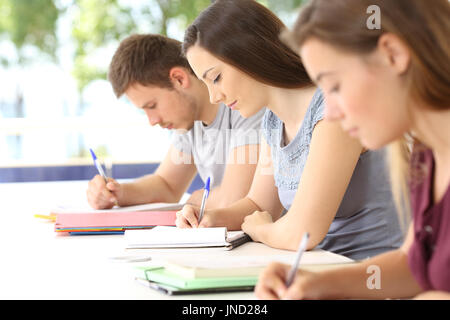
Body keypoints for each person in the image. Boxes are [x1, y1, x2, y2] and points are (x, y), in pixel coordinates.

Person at [177, 0, 402, 260]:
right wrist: (209, 218)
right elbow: (259, 205)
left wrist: (261, 230)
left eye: (215, 78)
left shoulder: (333, 109)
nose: (214, 97)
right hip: (319, 268)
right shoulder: (272, 123)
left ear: (251, 53)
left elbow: (302, 233)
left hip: (372, 276)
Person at [256, 0, 450, 299]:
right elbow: (413, 267)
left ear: (393, 55)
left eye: (334, 87)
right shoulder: (428, 154)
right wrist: (319, 284)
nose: (329, 112)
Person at [86, 34, 264, 210]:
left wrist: (195, 200)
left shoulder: (242, 106)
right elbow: (167, 185)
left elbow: (235, 199)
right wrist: (117, 193)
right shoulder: (189, 123)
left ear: (179, 79)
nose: (152, 120)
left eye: (152, 105)